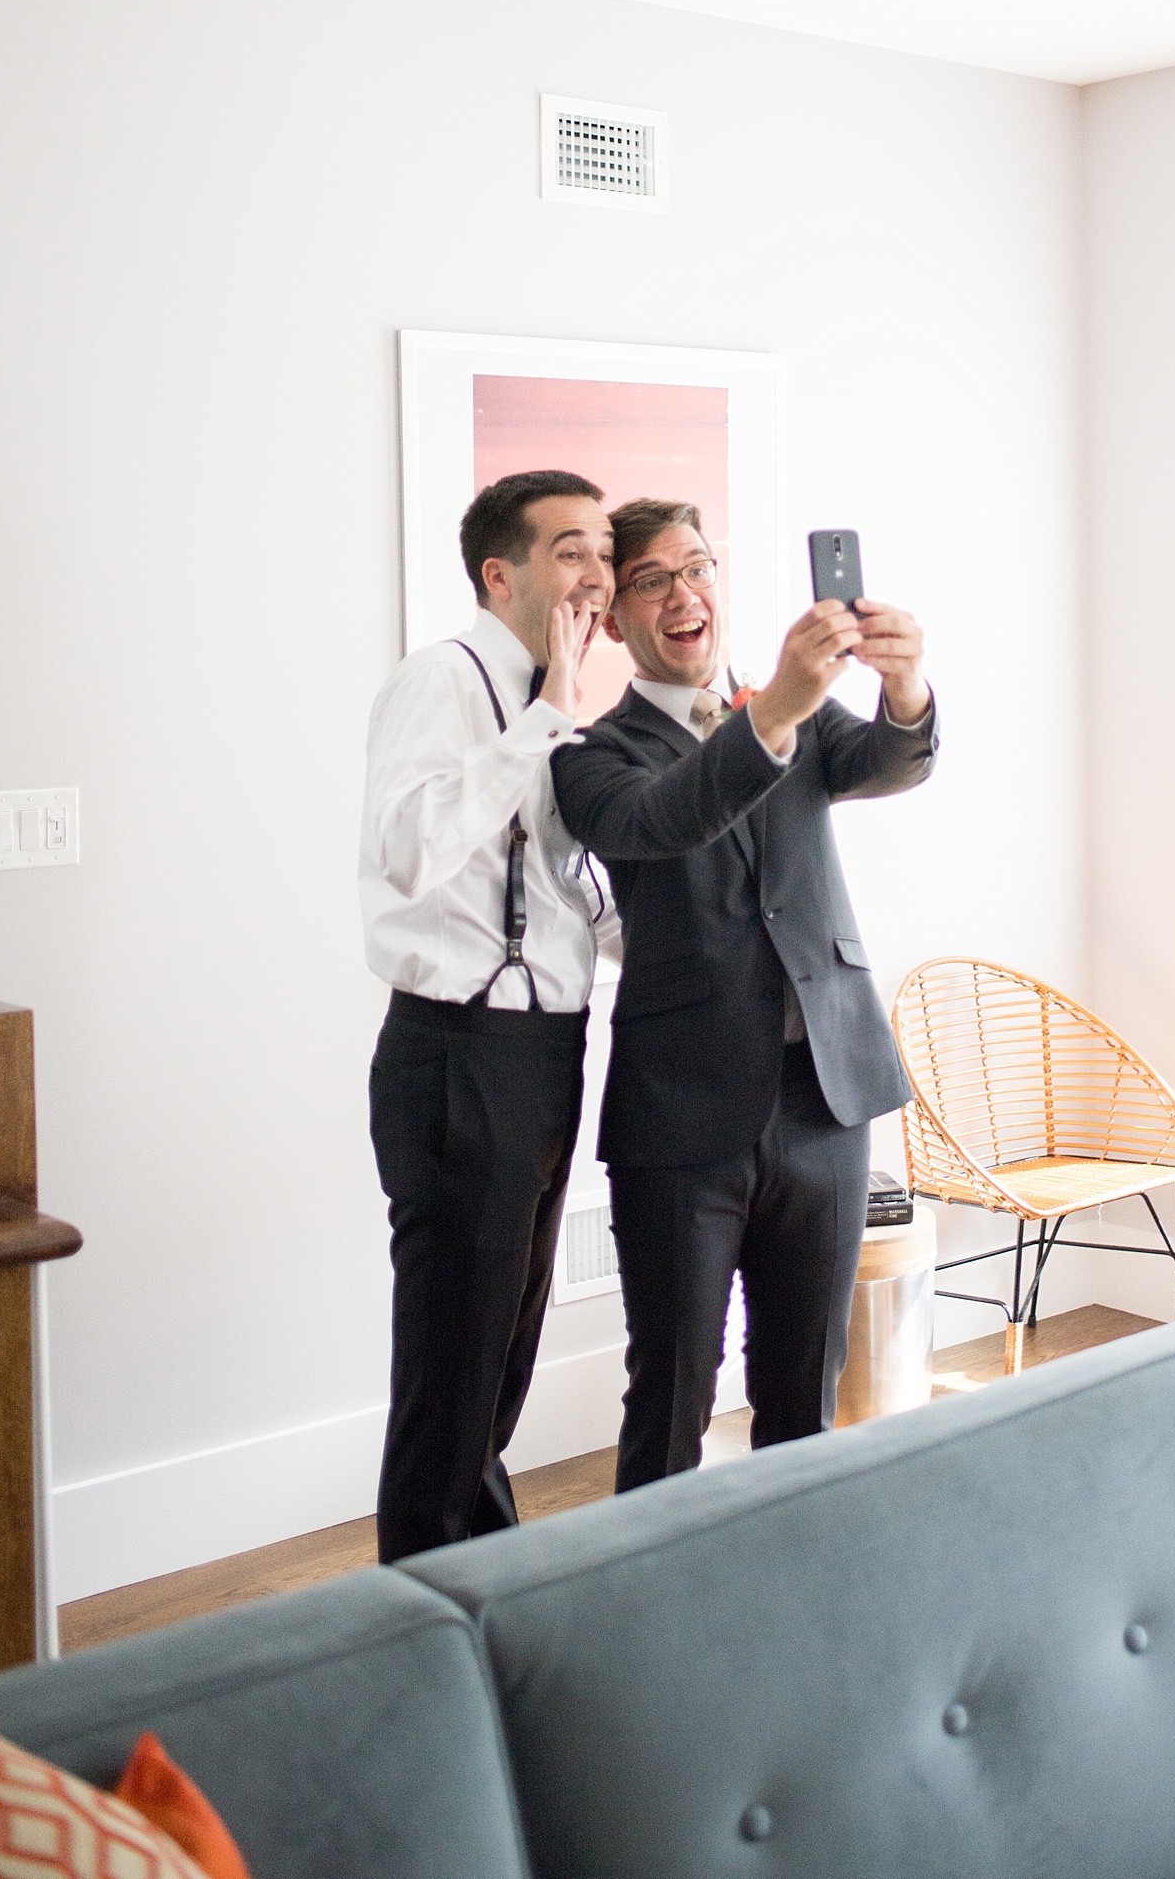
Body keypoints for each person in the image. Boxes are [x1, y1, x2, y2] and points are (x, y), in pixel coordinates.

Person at [551, 498, 936, 1491]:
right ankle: (644, 1607)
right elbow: (663, 819)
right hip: (681, 1118)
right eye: (652, 579)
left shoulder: (797, 713)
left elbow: (891, 760)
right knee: (672, 1391)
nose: (684, 593)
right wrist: (773, 713)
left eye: (698, 568)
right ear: (612, 619)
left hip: (826, 1097)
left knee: (807, 1386)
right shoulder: (592, 759)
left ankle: (791, 1591)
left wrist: (903, 684)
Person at [359, 468, 620, 1560]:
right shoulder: (445, 680)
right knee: (453, 1357)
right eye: (570, 550)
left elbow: (566, 884)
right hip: (457, 1054)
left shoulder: (550, 705)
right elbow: (412, 852)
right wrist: (545, 724)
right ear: (498, 573)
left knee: (502, 1349)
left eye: (603, 550)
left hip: (546, 1052)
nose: (596, 573)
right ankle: (417, 1602)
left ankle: (482, 1575)